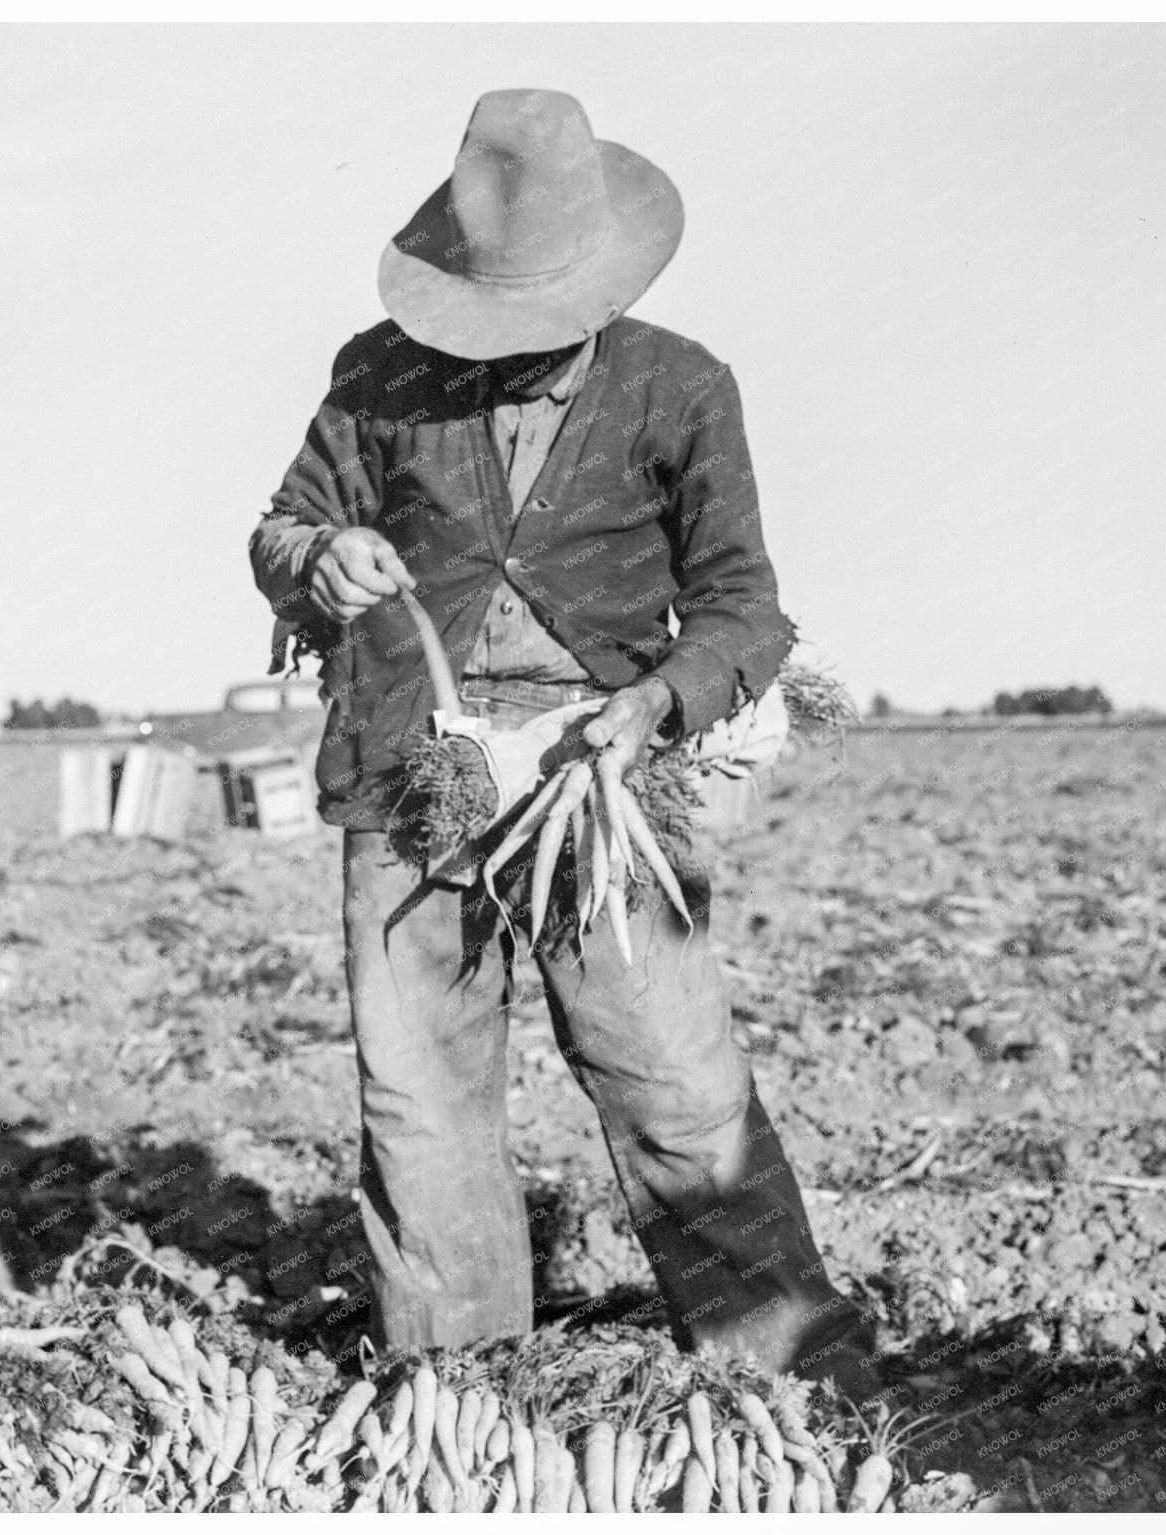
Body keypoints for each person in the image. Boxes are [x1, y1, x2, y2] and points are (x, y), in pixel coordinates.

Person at [250, 89, 876, 1389]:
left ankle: (792, 1385)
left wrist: (657, 701)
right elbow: (284, 528)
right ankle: (462, 1400)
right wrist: (324, 556)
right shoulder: (377, 374)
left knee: (674, 1082)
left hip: (603, 787)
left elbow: (743, 608)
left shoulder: (682, 388)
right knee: (419, 1103)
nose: (514, 348)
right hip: (411, 774)